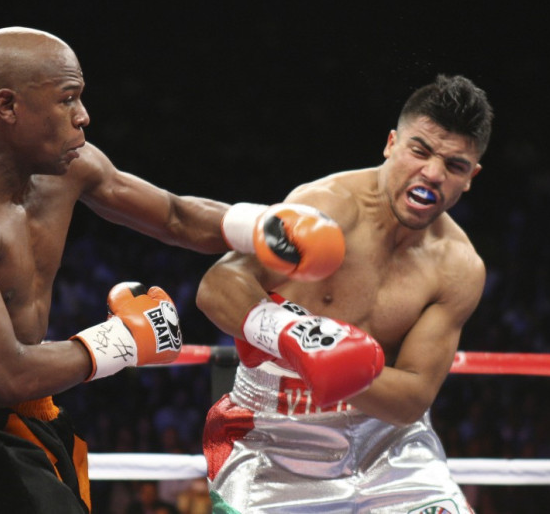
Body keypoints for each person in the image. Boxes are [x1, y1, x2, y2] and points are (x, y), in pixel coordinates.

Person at [0, 26, 336, 514]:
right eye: (67, 99)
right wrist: (121, 342)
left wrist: (265, 227)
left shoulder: (69, 167)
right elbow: (5, 376)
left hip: (37, 413)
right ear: (8, 106)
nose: (83, 117)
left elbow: (177, 216)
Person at [197, 74, 493, 513]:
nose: (432, 173)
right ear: (392, 143)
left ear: (470, 177)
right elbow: (217, 287)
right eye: (420, 150)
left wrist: (342, 370)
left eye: (454, 165)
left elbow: (413, 397)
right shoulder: (325, 205)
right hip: (275, 433)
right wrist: (297, 337)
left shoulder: (459, 267)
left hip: (392, 448)